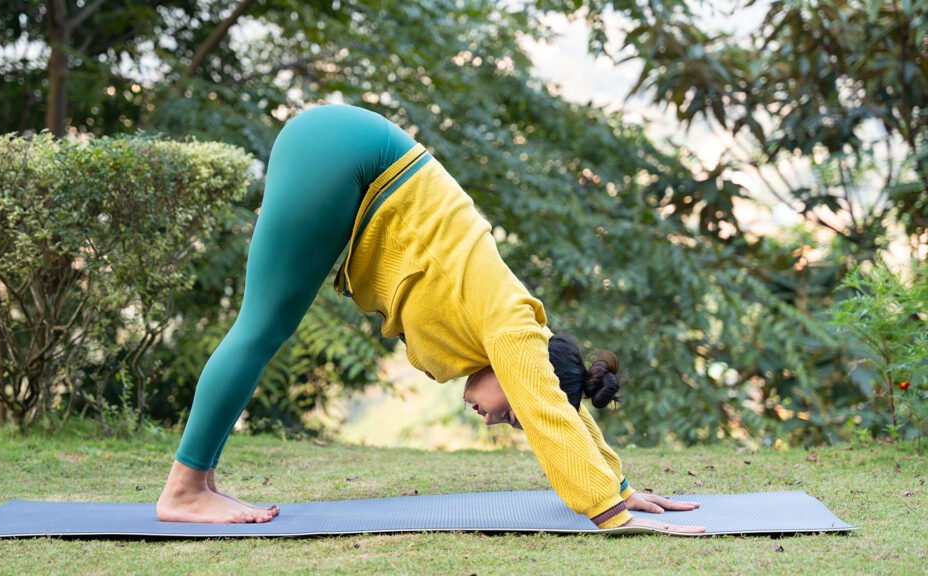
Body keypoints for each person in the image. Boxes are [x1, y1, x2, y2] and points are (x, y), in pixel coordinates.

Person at [156, 103, 705, 533]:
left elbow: (558, 405)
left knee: (265, 328)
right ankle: (183, 491)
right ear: (519, 375)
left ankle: (199, 484)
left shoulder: (514, 329)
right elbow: (547, 411)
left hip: (350, 149)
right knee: (262, 327)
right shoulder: (513, 329)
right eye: (511, 416)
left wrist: (620, 484)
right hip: (352, 154)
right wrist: (610, 511)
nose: (494, 420)